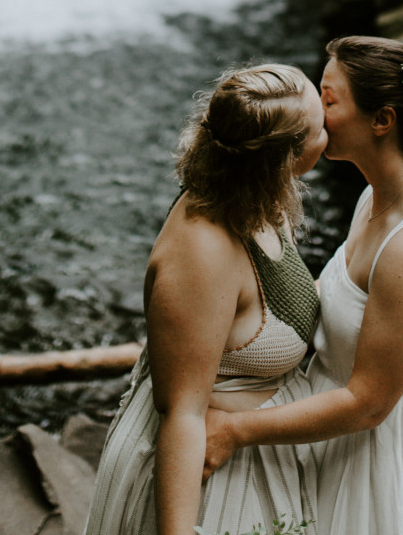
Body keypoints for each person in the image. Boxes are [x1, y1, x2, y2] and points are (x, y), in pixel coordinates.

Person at [204, 35, 403, 535]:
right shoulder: (375, 198)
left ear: (382, 121)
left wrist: (232, 428)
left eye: (328, 100)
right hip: (329, 437)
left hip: (381, 463)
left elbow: (370, 403)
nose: (312, 112)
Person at [83, 63, 327, 535]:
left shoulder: (255, 198)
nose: (331, 129)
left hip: (254, 460)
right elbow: (182, 416)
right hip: (203, 480)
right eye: (320, 127)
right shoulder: (203, 253)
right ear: (283, 160)